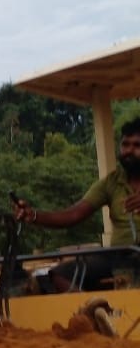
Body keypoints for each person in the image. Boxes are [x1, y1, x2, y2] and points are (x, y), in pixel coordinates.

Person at [11, 118, 140, 291]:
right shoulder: (112, 182)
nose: (129, 151)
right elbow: (73, 215)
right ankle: (92, 313)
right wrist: (33, 215)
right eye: (125, 145)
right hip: (119, 258)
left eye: (137, 145)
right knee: (60, 274)